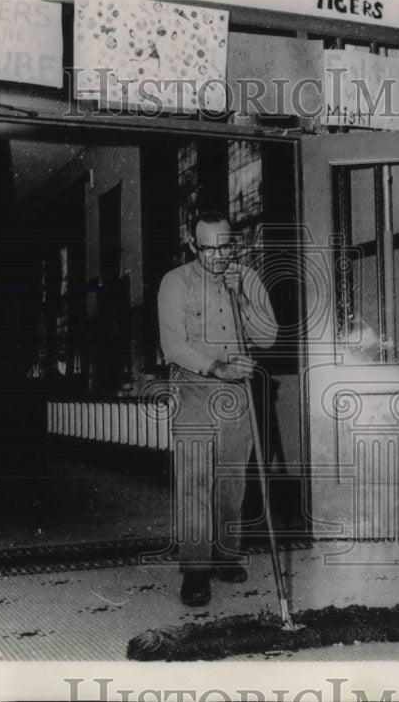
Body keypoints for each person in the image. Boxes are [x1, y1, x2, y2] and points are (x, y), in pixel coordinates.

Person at [157, 210, 278, 606]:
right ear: (193, 246)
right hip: (195, 390)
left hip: (237, 397)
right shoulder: (174, 283)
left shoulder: (247, 278)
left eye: (224, 246)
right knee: (194, 481)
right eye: (207, 249)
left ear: (234, 242)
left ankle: (226, 554)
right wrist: (217, 367)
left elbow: (268, 338)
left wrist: (242, 295)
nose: (217, 256)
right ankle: (195, 570)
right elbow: (174, 346)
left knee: (231, 481)